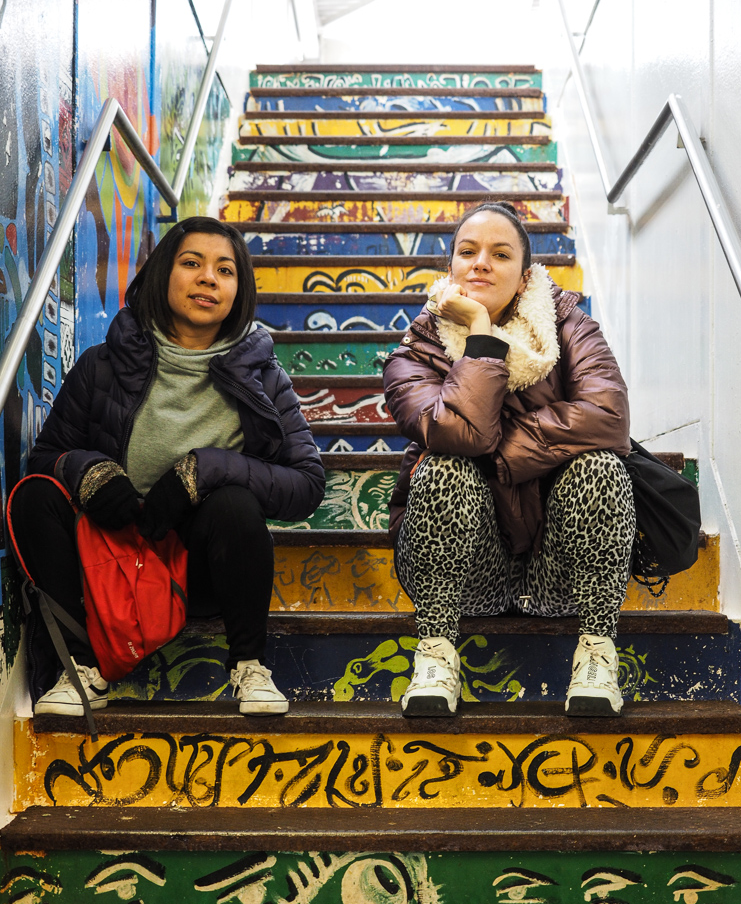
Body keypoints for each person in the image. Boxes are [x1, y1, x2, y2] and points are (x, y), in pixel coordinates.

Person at [12, 216, 325, 717]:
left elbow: (308, 484)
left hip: (195, 571)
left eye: (225, 270)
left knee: (235, 503)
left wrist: (207, 469)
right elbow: (46, 458)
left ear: (238, 290)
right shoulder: (103, 365)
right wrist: (90, 472)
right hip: (108, 559)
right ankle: (81, 668)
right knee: (33, 495)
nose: (208, 278)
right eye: (192, 263)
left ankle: (248, 665)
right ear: (162, 273)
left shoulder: (264, 379)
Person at [383, 202, 634, 719]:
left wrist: (501, 456)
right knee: (443, 468)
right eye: (467, 252)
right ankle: (435, 650)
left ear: (523, 278)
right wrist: (480, 333)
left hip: (559, 566)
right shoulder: (419, 348)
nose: (480, 264)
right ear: (449, 268)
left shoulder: (568, 326)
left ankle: (597, 651)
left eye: (500, 254)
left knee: (602, 467)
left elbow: (609, 417)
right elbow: (459, 434)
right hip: (462, 570)